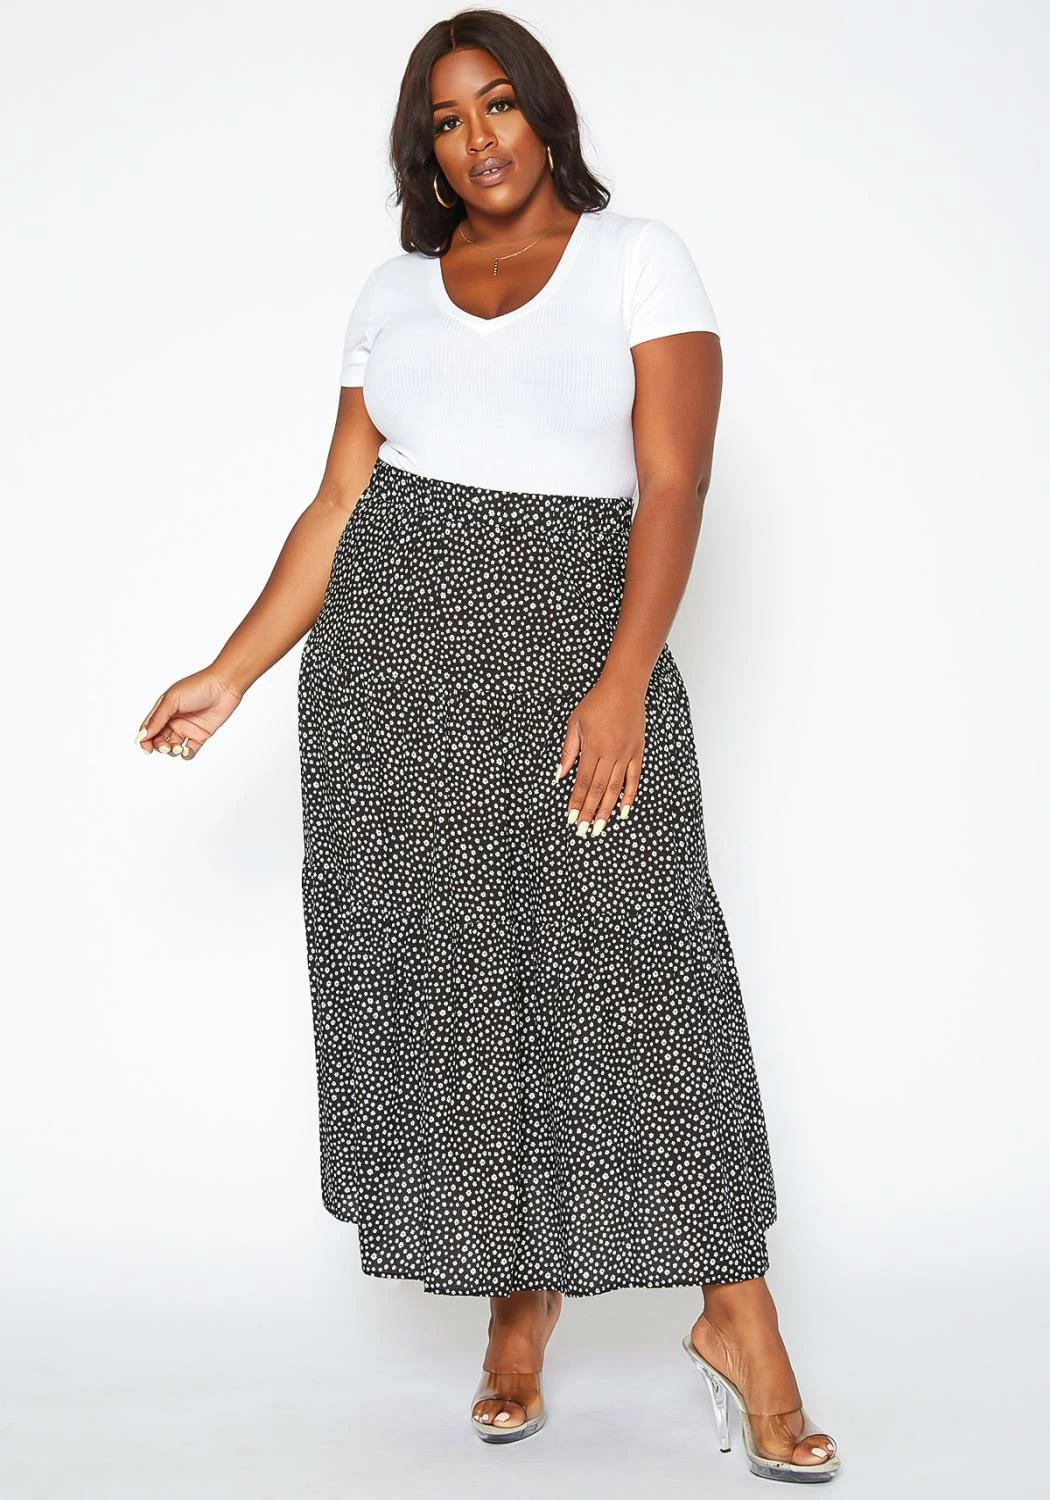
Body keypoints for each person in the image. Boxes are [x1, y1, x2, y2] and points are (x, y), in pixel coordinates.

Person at [134, 9, 839, 1483]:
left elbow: (674, 483)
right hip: (393, 681)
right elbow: (341, 504)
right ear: (427, 150)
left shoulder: (637, 258)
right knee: (461, 997)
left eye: (499, 104)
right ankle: (516, 1313)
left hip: (580, 657)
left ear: (545, 114)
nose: (479, 139)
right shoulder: (391, 292)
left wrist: (622, 681)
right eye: (448, 121)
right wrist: (234, 673)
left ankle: (741, 1322)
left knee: (647, 978)